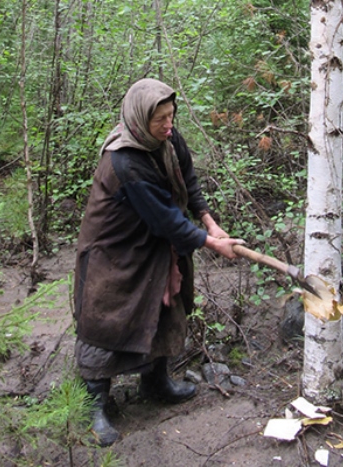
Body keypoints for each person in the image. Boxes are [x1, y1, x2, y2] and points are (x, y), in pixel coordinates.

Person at [72, 78, 241, 447]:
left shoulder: (168, 138)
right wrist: (211, 243)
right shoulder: (124, 160)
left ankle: (155, 381)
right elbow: (166, 219)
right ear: (138, 119)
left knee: (164, 307)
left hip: (154, 241)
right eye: (159, 120)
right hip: (115, 249)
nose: (168, 126)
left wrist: (209, 219)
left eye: (171, 116)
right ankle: (93, 403)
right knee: (107, 318)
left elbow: (187, 178)